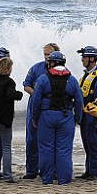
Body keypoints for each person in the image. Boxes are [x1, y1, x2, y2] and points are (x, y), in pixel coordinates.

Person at [27, 51, 84, 185]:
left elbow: (36, 100)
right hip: (66, 116)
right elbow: (79, 101)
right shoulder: (72, 79)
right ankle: (64, 179)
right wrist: (78, 118)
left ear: (52, 63)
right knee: (64, 149)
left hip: (46, 116)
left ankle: (47, 179)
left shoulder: (43, 78)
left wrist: (35, 118)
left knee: (46, 148)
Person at [21, 42, 60, 179]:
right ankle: (31, 171)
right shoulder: (36, 68)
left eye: (49, 55)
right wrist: (38, 95)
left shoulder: (62, 70)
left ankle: (51, 171)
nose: (46, 57)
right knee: (32, 140)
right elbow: (26, 85)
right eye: (45, 54)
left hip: (51, 109)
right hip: (34, 107)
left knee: (51, 142)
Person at [76, 45, 97, 180]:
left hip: (93, 115)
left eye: (84, 57)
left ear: (91, 59)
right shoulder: (86, 75)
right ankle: (88, 170)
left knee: (94, 143)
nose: (82, 60)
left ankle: (95, 172)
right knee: (86, 143)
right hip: (84, 114)